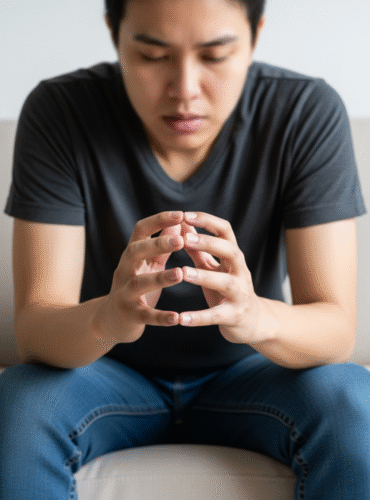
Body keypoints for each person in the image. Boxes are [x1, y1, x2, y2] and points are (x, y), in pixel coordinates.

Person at [1, 0, 370, 497]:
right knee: (22, 405)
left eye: (215, 56)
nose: (185, 91)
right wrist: (107, 319)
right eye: (153, 56)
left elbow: (336, 327)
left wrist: (256, 317)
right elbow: (35, 326)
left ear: (255, 36)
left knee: (350, 399)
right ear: (114, 33)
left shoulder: (305, 110)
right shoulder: (61, 111)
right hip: (104, 370)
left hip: (252, 370)